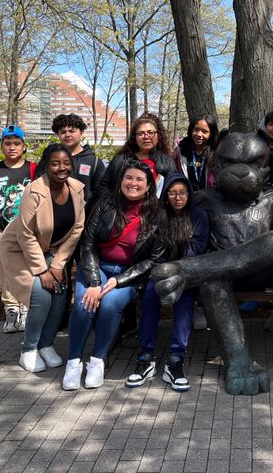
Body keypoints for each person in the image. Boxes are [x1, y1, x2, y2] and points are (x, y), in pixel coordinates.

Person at [63, 161, 166, 390]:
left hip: (128, 274)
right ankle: (74, 361)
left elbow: (153, 259)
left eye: (140, 179)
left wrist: (119, 280)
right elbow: (88, 243)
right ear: (121, 181)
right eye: (129, 177)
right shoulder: (106, 203)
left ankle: (97, 360)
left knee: (109, 305)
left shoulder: (157, 214)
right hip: (96, 267)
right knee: (84, 304)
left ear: (149, 186)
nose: (133, 183)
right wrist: (94, 281)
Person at [0, 144, 85, 373]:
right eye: (55, 163)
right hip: (18, 249)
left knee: (61, 289)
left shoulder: (76, 189)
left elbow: (77, 229)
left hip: (49, 249)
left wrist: (56, 265)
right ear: (46, 165)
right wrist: (42, 271)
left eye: (66, 163)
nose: (61, 168)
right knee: (41, 293)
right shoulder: (34, 190)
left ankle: (46, 344)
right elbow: (25, 233)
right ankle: (29, 348)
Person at [127, 173, 209, 391]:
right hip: (161, 271)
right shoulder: (160, 216)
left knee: (184, 302)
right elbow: (156, 250)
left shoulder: (199, 216)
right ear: (166, 196)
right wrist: (164, 268)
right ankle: (145, 357)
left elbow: (198, 248)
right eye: (172, 193)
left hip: (187, 273)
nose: (177, 197)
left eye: (182, 193)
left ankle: (176, 360)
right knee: (151, 296)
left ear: (189, 195)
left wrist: (178, 268)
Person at [0, 125, 37, 333]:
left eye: (16, 143)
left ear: (23, 146)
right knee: (6, 270)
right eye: (8, 143)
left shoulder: (33, 169)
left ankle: (26, 309)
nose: (12, 147)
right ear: (2, 146)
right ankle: (11, 310)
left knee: (29, 269)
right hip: (3, 231)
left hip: (29, 232)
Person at [96, 113, 176, 198]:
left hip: (155, 209)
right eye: (141, 133)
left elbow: (173, 190)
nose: (146, 137)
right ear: (135, 137)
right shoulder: (120, 160)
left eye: (150, 132)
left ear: (158, 135)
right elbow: (103, 186)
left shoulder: (167, 162)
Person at [36, 113, 105, 202]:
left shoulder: (94, 162)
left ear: (81, 132)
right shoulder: (48, 158)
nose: (67, 135)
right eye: (63, 132)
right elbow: (38, 185)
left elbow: (101, 193)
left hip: (85, 213)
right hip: (53, 212)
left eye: (72, 131)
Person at [172, 114, 219, 192]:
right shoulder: (180, 150)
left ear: (211, 134)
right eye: (196, 129)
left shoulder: (217, 153)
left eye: (205, 131)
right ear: (191, 130)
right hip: (186, 198)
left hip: (210, 199)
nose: (199, 134)